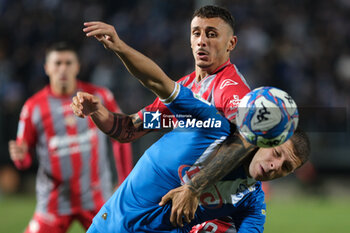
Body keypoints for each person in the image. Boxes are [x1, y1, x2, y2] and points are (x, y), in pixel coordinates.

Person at [70, 39, 310, 233]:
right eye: (277, 154)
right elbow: (153, 90)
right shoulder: (209, 121)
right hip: (109, 225)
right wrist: (119, 49)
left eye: (286, 167)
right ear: (265, 139)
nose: (274, 166)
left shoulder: (251, 201)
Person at [81, 5, 267, 231]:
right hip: (131, 207)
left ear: (231, 43)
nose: (202, 41)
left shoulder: (231, 90)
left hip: (174, 213)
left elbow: (248, 139)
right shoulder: (187, 85)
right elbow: (129, 129)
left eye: (211, 34)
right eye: (196, 33)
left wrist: (197, 189)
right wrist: (98, 112)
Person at [8, 42, 133, 233]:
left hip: (96, 199)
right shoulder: (33, 107)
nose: (63, 68)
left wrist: (125, 180)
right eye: (57, 63)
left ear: (77, 66)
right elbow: (23, 161)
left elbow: (122, 136)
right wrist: (20, 158)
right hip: (53, 203)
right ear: (47, 68)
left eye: (68, 63)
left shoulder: (99, 97)